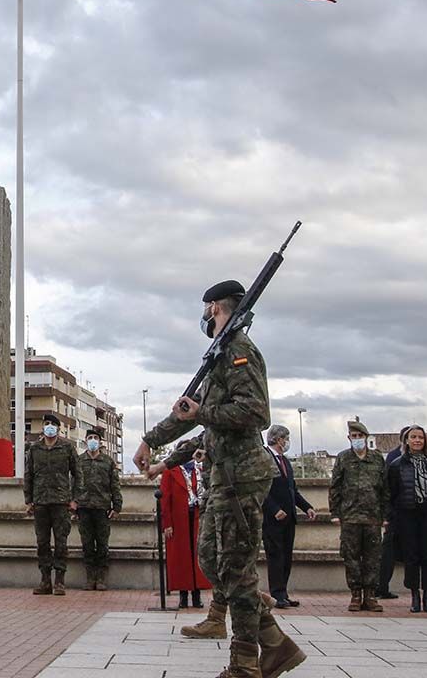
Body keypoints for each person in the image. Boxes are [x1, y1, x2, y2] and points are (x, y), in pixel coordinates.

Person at [133, 279, 304, 678]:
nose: (204, 314)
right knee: (214, 560)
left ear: (213, 307)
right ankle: (275, 643)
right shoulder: (220, 355)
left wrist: (201, 414)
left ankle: (245, 663)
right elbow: (189, 416)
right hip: (222, 478)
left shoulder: (240, 351)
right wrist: (150, 443)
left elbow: (256, 412)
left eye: (207, 308)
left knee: (235, 568)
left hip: (241, 477)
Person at [329, 420, 388, 613]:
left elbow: (385, 489)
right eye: (353, 437)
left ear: (366, 437)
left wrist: (385, 515)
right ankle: (355, 594)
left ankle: (370, 595)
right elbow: (335, 486)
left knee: (372, 558)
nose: (357, 440)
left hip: (373, 517)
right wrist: (335, 513)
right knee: (351, 557)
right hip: (350, 517)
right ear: (349, 438)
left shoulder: (377, 459)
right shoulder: (343, 458)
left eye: (360, 436)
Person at [387, 425, 427, 613]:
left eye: (420, 437)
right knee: (411, 557)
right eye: (413, 437)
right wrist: (392, 517)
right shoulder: (397, 465)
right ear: (407, 441)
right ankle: (414, 596)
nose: (417, 440)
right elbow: (391, 494)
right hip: (407, 515)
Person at [24, 413, 79, 596]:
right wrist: (28, 500)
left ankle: (60, 582)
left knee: (61, 542)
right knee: (42, 543)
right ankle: (45, 580)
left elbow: (78, 475)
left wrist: (75, 499)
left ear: (58, 428)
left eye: (52, 424)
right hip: (40, 502)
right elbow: (29, 475)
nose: (49, 427)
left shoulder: (67, 448)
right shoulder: (34, 449)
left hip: (61, 502)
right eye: (46, 424)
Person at [262, 425, 315, 609]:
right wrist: (274, 509)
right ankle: (276, 595)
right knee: (275, 556)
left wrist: (306, 507)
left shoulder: (284, 461)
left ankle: (283, 592)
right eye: (286, 438)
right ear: (279, 439)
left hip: (289, 517)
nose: (287, 442)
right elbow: (262, 490)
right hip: (272, 518)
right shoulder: (265, 459)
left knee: (286, 556)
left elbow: (292, 489)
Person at [161, 447, 210, 608]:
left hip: (196, 516)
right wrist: (167, 523)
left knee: (197, 556)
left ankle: (197, 595)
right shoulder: (171, 471)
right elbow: (165, 498)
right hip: (178, 519)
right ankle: (183, 594)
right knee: (181, 557)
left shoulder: (198, 469)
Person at [75, 427, 122, 591]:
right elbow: (72, 482)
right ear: (86, 441)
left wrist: (117, 506)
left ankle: (101, 578)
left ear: (100, 442)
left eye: (95, 437)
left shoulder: (108, 462)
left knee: (102, 544)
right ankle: (90, 578)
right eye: (90, 438)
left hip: (102, 507)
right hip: (84, 507)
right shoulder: (79, 461)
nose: (93, 440)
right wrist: (72, 502)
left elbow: (114, 485)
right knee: (87, 544)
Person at [377, 426, 410, 600]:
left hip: (408, 513)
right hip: (397, 513)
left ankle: (381, 586)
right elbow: (387, 488)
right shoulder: (395, 458)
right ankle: (381, 586)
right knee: (388, 552)